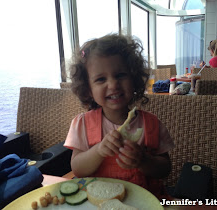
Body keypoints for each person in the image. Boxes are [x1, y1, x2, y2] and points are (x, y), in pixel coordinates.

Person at [64, 33, 174, 197]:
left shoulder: (151, 125)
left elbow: (165, 169)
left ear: (134, 79)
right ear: (88, 89)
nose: (113, 84)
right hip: (99, 203)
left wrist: (144, 160)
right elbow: (78, 169)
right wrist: (99, 151)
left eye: (120, 75)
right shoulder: (82, 124)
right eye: (101, 79)